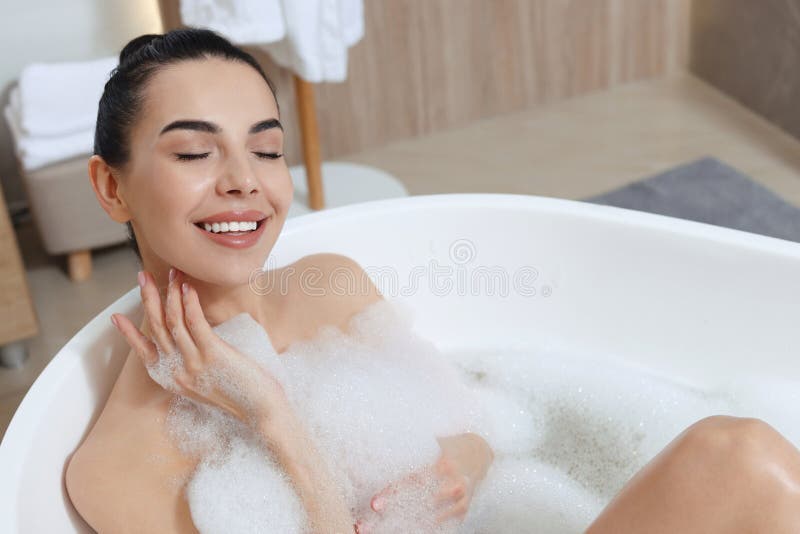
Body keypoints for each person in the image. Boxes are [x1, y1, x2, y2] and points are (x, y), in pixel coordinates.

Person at [65, 28, 800, 533]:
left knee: (736, 453)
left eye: (265, 151)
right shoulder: (115, 469)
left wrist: (460, 469)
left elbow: (476, 431)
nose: (243, 182)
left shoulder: (329, 285)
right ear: (111, 187)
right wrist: (273, 419)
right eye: (194, 154)